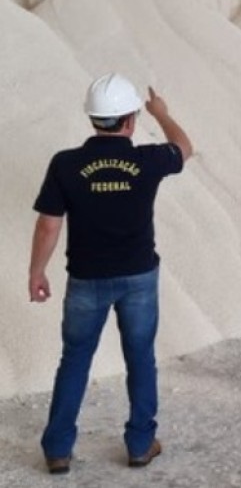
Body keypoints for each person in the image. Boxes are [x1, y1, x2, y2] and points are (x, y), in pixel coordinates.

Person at [28, 73, 193, 474]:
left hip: (86, 279)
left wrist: (37, 271)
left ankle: (58, 449)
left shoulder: (65, 164)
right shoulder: (148, 160)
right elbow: (184, 148)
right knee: (140, 358)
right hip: (138, 278)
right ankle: (140, 444)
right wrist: (162, 113)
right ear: (131, 120)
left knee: (74, 360)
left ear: (92, 118)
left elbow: (49, 225)